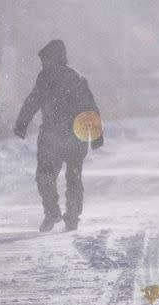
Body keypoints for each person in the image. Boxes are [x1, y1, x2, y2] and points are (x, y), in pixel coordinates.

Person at [14, 39, 103, 232]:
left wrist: (22, 124)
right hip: (76, 136)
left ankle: (51, 212)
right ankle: (72, 217)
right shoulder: (77, 78)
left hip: (51, 135)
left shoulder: (45, 77)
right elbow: (91, 107)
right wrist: (96, 135)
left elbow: (33, 101)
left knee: (45, 175)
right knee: (74, 177)